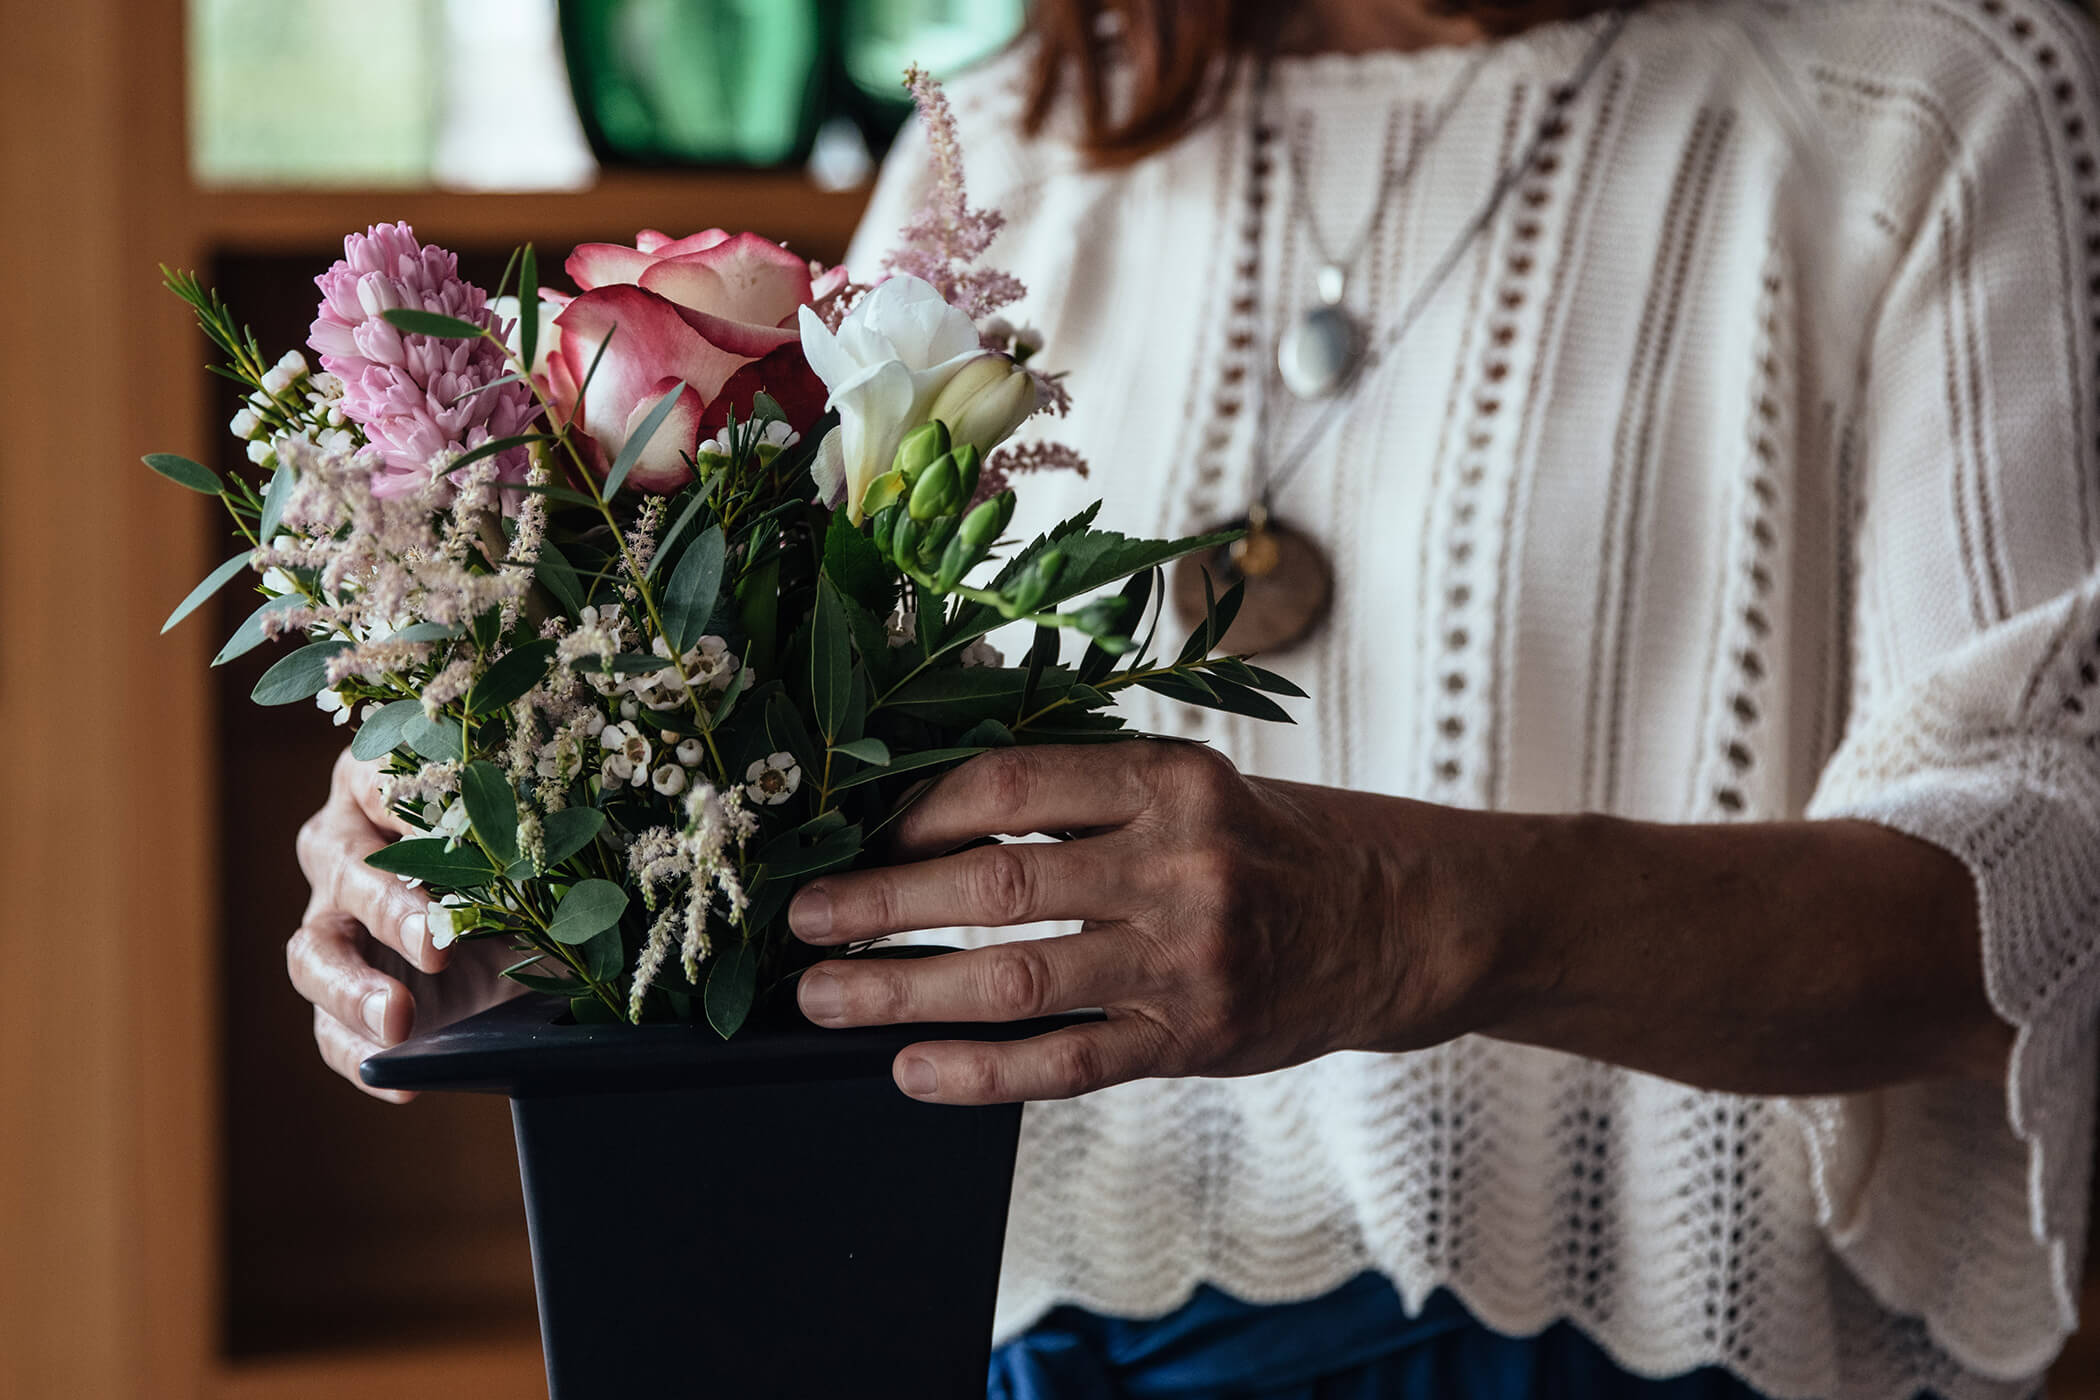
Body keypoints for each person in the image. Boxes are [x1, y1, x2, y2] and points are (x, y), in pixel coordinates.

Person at [286, 0, 2100, 1394]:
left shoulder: (1943, 97)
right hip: (1016, 1353)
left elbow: (2050, 880)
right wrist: (542, 878)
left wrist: (1414, 921)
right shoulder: (991, 161)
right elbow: (805, 846)